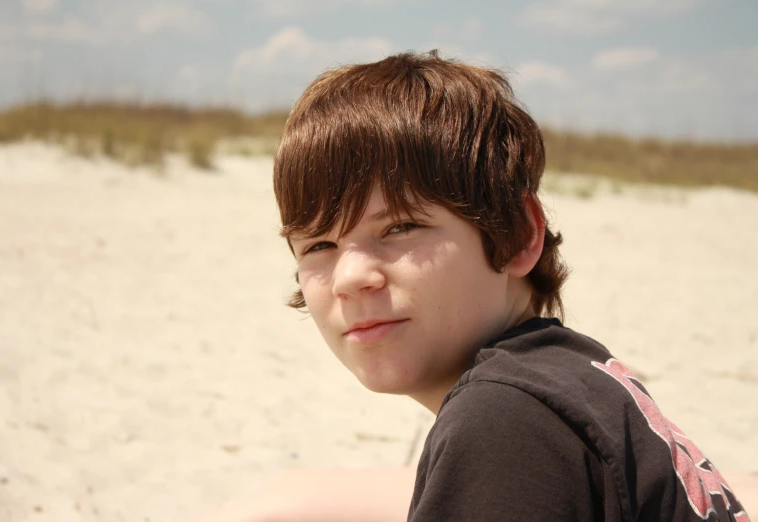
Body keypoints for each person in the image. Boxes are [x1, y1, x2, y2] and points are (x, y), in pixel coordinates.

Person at [198, 51, 754, 521]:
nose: (350, 278)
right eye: (317, 246)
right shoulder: (568, 372)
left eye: (399, 227)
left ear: (515, 234)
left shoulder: (506, 423)